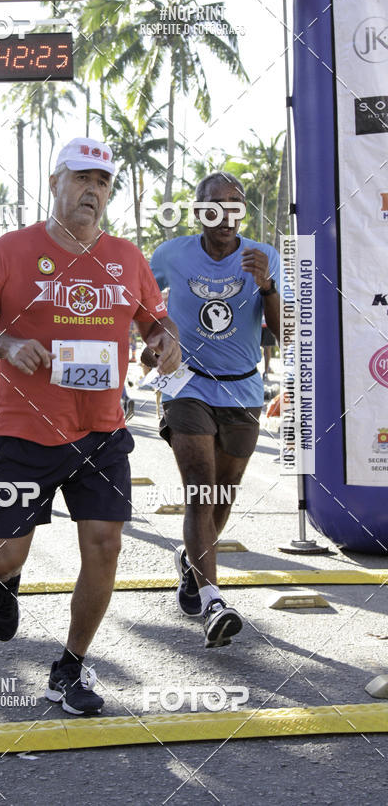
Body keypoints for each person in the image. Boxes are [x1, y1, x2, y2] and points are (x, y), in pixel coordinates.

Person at [0, 136, 180, 715]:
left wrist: (163, 344)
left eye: (102, 182)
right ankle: (4, 583)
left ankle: (70, 667)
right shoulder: (12, 250)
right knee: (4, 554)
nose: (92, 191)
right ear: (55, 183)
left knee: (105, 546)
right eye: (81, 178)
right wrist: (6, 345)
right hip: (24, 432)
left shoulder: (126, 257)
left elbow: (157, 324)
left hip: (102, 432)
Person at [147, 171, 280, 648]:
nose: (225, 214)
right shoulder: (171, 254)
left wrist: (266, 286)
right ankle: (213, 601)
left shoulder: (264, 257)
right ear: (199, 210)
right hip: (186, 384)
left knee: (222, 495)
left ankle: (192, 561)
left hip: (243, 390)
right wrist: (154, 341)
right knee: (201, 489)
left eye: (234, 204)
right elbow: (141, 304)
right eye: (215, 205)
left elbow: (283, 331)